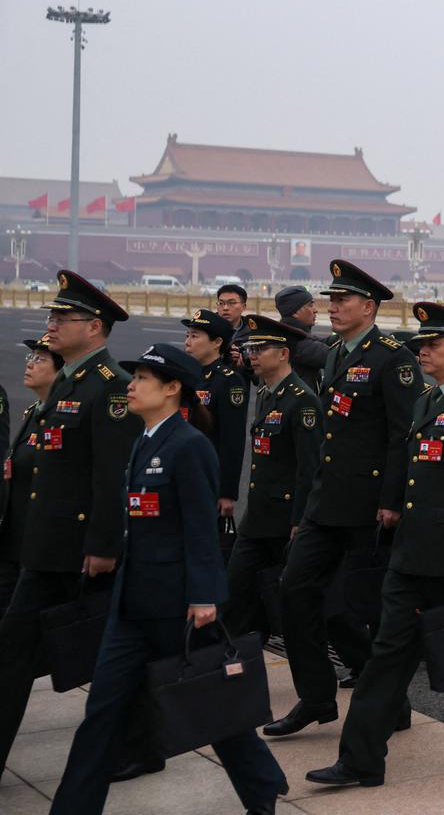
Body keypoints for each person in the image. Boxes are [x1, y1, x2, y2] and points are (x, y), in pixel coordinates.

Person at [49, 344, 288, 815]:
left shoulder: (188, 445)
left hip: (179, 606)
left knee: (210, 705)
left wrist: (204, 596)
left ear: (173, 388)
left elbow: (200, 527)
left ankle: (261, 787)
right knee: (101, 713)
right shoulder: (144, 440)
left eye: (141, 378)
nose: (130, 386)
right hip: (132, 606)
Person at [307, 303, 444, 788]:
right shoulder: (428, 400)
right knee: (386, 659)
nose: (424, 352)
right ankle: (361, 759)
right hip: (412, 554)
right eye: (421, 344)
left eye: (433, 345)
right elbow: (410, 470)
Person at [265, 261, 419, 738]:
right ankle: (315, 696)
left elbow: (403, 436)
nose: (331, 308)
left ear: (368, 307)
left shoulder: (392, 357)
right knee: (294, 590)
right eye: (329, 300)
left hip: (370, 505)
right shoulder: (334, 352)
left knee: (367, 609)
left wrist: (392, 500)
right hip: (326, 502)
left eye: (341, 301)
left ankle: (391, 701)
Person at [0, 272, 142, 771]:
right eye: (51, 315)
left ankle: (144, 745)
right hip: (47, 548)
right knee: (20, 652)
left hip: (82, 552)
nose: (51, 325)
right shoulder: (67, 382)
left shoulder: (112, 390)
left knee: (114, 657)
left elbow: (112, 479)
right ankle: (141, 745)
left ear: (96, 328)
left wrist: (103, 546)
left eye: (63, 317)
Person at [221, 316, 321, 639]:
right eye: (251, 347)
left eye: (260, 348)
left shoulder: (302, 401)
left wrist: (300, 521)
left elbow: (310, 469)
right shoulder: (266, 393)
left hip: (285, 522)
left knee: (296, 608)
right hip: (257, 520)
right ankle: (236, 667)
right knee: (236, 591)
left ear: (283, 354)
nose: (252, 354)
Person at [0, 337, 62, 616]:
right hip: (14, 541)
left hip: (36, 545)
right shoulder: (33, 411)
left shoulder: (62, 417)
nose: (30, 364)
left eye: (40, 359)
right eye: (30, 357)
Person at [180, 309, 250, 518]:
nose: (187, 342)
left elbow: (232, 440)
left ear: (217, 342)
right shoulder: (185, 375)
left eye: (194, 336)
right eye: (187, 336)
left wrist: (227, 492)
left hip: (208, 477)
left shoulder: (228, 381)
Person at [274, 285, 328, 388]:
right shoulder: (296, 341)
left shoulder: (287, 332)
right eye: (310, 305)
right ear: (295, 312)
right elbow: (332, 356)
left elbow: (323, 341)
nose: (315, 310)